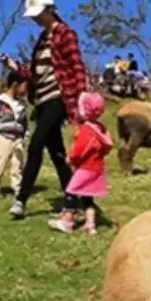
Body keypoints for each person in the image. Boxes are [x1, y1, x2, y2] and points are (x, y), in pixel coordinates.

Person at [4, 0, 86, 221]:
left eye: (39, 14)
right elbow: (35, 73)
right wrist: (14, 68)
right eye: (34, 16)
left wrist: (80, 99)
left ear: (51, 10)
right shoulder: (42, 39)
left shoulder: (66, 34)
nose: (36, 19)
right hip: (41, 100)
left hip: (59, 97)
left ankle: (21, 199)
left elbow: (77, 66)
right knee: (57, 152)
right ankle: (74, 197)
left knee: (35, 144)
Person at [50, 92, 112, 235]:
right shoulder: (100, 129)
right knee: (87, 196)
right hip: (97, 168)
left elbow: (79, 150)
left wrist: (70, 159)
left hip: (85, 168)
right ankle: (90, 224)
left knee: (71, 192)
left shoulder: (86, 130)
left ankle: (67, 221)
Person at [0, 73, 29, 200]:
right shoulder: (0, 102)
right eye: (24, 86)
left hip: (18, 138)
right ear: (15, 85)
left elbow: (25, 122)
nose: (26, 90)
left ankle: (18, 188)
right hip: (2, 136)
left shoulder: (21, 104)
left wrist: (26, 135)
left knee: (18, 164)